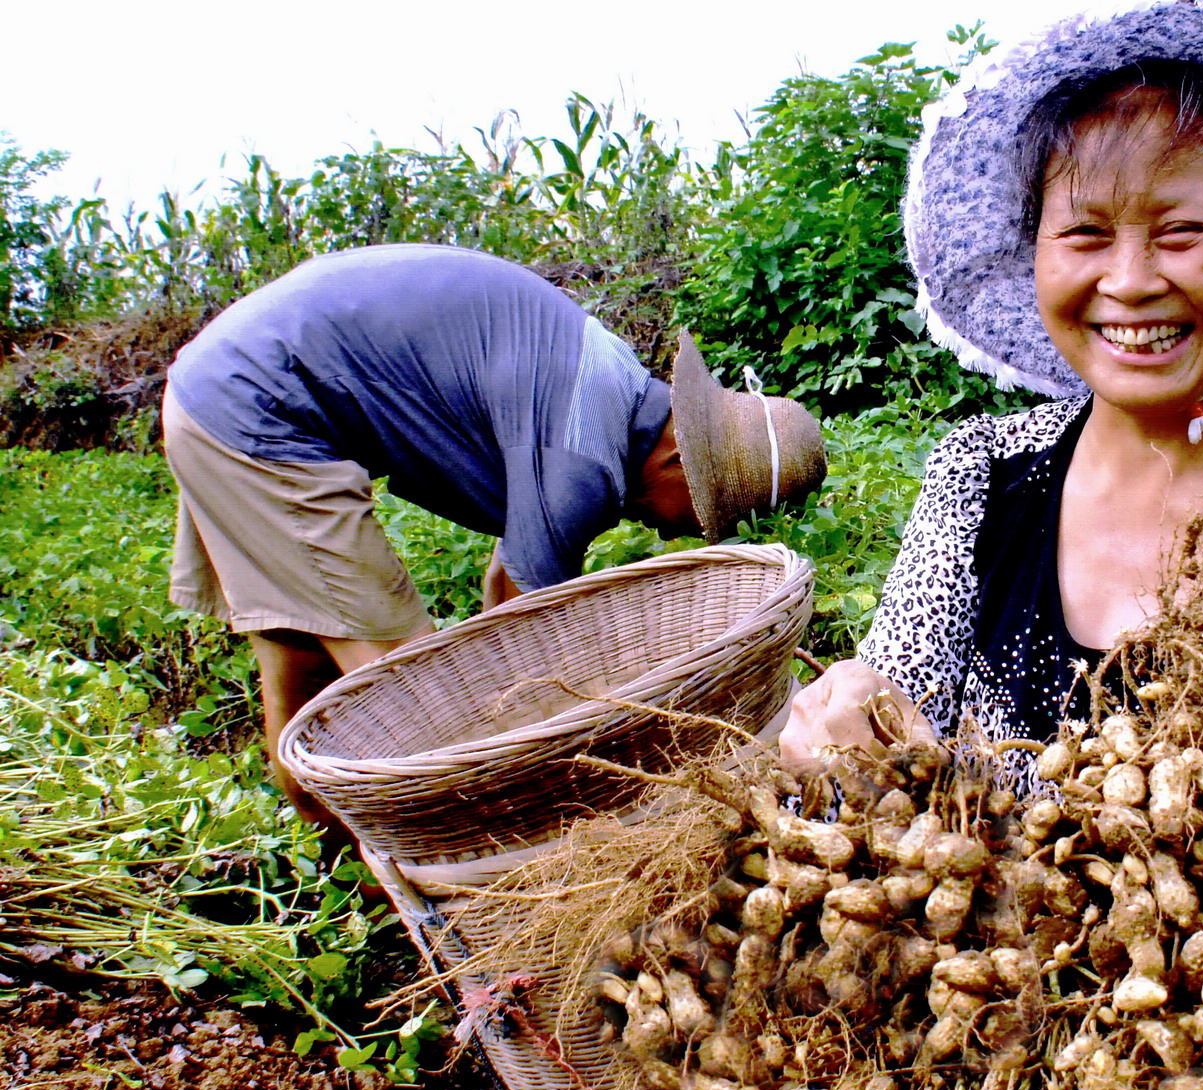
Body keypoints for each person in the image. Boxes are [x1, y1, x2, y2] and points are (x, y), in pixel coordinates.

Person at [780, 2, 1203, 793]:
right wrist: (853, 718)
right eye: (1084, 234)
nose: (1131, 282)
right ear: (1034, 250)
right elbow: (894, 718)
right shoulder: (980, 480)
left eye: (1182, 233)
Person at [162, 243, 827, 839]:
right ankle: (432, 872)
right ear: (679, 458)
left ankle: (339, 850)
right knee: (408, 701)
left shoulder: (610, 383)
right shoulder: (581, 460)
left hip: (225, 385)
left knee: (303, 650)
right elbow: (516, 634)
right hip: (262, 411)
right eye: (700, 515)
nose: (678, 532)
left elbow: (504, 596)